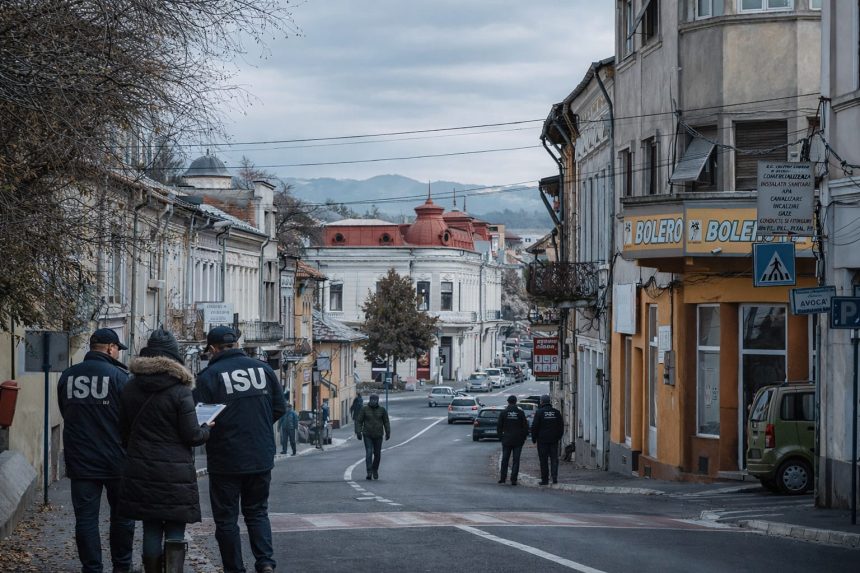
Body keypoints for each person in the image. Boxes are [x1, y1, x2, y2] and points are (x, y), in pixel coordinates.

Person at [193, 326, 286, 573]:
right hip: (260, 454)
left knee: (226, 520)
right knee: (257, 512)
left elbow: (199, 417)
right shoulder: (264, 369)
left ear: (212, 349)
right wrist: (259, 428)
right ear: (236, 345)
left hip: (226, 458)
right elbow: (279, 408)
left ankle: (234, 568)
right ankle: (265, 562)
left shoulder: (209, 376)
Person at [118, 329, 211, 573]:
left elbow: (123, 431)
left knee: (150, 526)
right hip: (174, 473)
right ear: (174, 357)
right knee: (175, 527)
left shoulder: (130, 388)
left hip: (140, 469)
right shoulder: (181, 391)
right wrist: (206, 429)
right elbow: (192, 436)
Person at [58, 327, 135, 573]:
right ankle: (122, 567)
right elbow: (130, 418)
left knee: (86, 519)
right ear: (111, 348)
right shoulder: (119, 377)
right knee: (122, 517)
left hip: (81, 460)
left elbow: (64, 410)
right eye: (117, 350)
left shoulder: (68, 375)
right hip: (116, 459)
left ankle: (92, 568)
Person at [355, 394, 390, 480]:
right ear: (370, 400)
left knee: (377, 455)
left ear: (378, 400)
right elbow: (359, 421)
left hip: (378, 435)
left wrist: (388, 432)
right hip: (367, 434)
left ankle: (375, 469)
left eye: (375, 400)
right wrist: (358, 432)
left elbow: (386, 422)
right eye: (372, 399)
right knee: (369, 453)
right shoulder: (364, 409)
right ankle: (369, 472)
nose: (373, 401)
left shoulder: (382, 410)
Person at [531, 394, 564, 485]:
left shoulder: (539, 412)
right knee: (554, 459)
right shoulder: (556, 412)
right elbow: (561, 426)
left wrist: (534, 438)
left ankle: (545, 479)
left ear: (541, 402)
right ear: (549, 402)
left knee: (543, 460)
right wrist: (558, 437)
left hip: (542, 441)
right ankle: (554, 478)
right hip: (554, 440)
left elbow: (534, 427)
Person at [497, 395, 529, 486]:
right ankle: (513, 479)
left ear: (508, 402)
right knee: (516, 460)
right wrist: (523, 437)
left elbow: (499, 426)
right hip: (518, 440)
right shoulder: (520, 412)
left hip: (506, 439)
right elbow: (525, 426)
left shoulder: (504, 412)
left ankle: (503, 478)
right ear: (516, 402)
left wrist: (501, 437)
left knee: (505, 459)